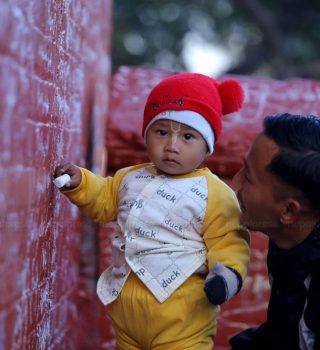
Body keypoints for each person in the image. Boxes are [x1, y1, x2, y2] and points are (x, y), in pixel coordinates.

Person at [54, 73, 250, 350]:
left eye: (188, 136)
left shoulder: (215, 194)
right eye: (161, 132)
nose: (171, 145)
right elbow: (102, 199)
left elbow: (229, 240)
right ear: (146, 135)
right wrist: (81, 183)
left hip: (182, 320)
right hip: (126, 314)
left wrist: (226, 276)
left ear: (207, 146)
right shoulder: (128, 178)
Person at [230, 113, 320, 350]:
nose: (235, 181)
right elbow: (284, 333)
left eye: (248, 176)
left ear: (288, 211)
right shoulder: (296, 235)